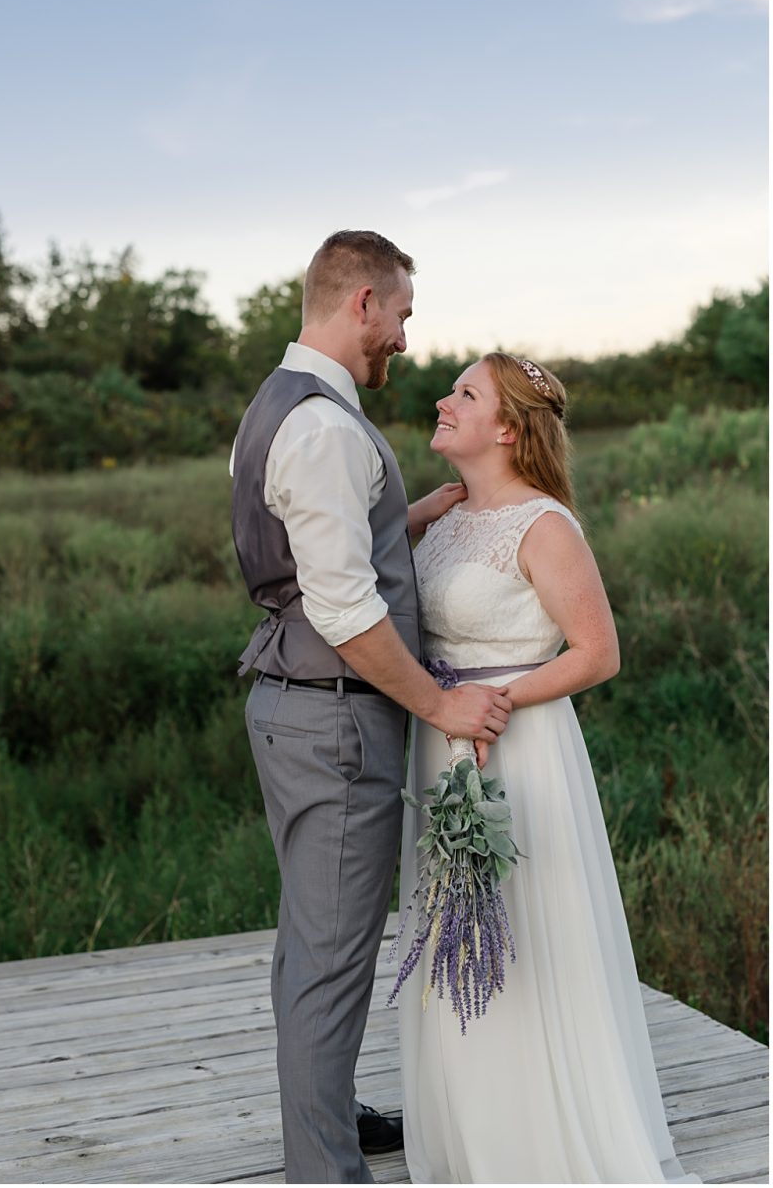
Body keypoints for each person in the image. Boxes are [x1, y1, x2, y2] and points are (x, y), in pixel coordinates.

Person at [228, 230, 512, 1183]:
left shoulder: (285, 406)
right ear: (362, 304)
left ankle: (331, 1109)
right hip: (337, 719)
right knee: (334, 954)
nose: (402, 336)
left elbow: (315, 558)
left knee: (315, 934)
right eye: (401, 315)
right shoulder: (322, 427)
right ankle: (325, 1169)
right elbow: (347, 612)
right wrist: (440, 704)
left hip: (297, 703)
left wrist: (407, 515)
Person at [397, 353, 696, 1183]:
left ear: (505, 427)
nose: (441, 400)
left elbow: (599, 653)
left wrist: (500, 701)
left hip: (515, 749)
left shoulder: (545, 524)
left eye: (464, 393)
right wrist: (414, 517)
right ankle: (475, 1140)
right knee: (456, 938)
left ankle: (540, 1147)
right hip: (440, 747)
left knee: (527, 940)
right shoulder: (446, 518)